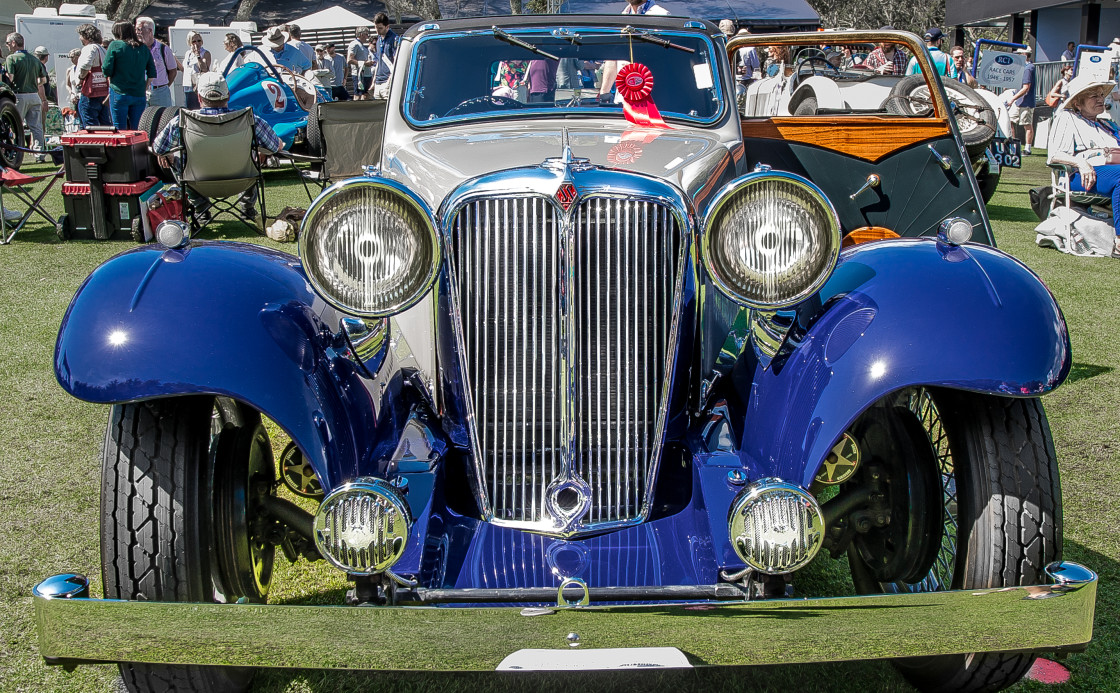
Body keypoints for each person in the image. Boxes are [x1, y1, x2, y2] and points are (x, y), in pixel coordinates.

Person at [152, 72, 281, 223]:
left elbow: (158, 148)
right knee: (253, 154)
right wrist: (260, 150)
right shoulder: (250, 119)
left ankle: (202, 210)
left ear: (199, 98)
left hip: (197, 182)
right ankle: (247, 209)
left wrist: (167, 155)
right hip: (242, 180)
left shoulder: (180, 121)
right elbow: (274, 147)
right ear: (228, 96)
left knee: (177, 156)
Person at [1047, 74, 1120, 255]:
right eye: (1094, 96)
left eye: (1101, 95)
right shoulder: (1067, 118)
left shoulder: (1109, 125)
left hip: (1110, 172)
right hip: (1080, 176)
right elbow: (1054, 155)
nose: (1100, 99)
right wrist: (1081, 163)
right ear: (1078, 103)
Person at [597, 0, 669, 102]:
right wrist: (604, 94)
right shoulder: (622, 16)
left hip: (651, 99)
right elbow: (612, 57)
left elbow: (665, 60)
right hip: (622, 98)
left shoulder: (661, 16)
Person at [102, 20, 155, 130]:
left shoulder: (115, 45)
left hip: (119, 92)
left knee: (119, 129)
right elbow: (151, 74)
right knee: (137, 130)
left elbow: (106, 69)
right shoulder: (144, 48)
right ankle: (138, 147)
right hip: (139, 94)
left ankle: (122, 148)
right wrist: (143, 88)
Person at [4, 33, 47, 162]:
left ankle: (15, 153)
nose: (7, 46)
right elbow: (43, 80)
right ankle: (40, 155)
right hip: (34, 95)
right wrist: (33, 84)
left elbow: (10, 78)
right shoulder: (34, 59)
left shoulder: (11, 58)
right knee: (36, 127)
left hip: (19, 95)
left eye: (7, 43)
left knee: (14, 126)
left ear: (13, 43)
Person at [135, 16, 178, 107]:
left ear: (150, 31)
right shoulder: (135, 50)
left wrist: (163, 87)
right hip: (141, 92)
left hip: (160, 92)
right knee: (142, 120)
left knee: (163, 119)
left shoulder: (164, 49)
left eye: (139, 29)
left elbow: (173, 71)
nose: (137, 32)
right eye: (136, 29)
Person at [75, 23, 110, 127]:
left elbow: (86, 65)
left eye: (80, 35)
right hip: (103, 91)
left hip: (90, 93)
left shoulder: (89, 48)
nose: (79, 38)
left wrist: (81, 78)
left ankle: (93, 143)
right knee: (104, 125)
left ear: (86, 36)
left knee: (90, 125)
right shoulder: (103, 49)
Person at [1008, 46, 1036, 155]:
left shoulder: (1028, 68)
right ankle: (1013, 146)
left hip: (1026, 102)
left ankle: (1027, 148)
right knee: (1010, 120)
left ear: (1025, 55)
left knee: (1027, 124)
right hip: (1019, 101)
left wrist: (1012, 99)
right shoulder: (1023, 67)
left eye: (1020, 54)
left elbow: (1026, 87)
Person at [370, 13, 398, 100]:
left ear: (387, 26)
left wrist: (389, 82)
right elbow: (379, 61)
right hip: (378, 81)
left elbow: (396, 62)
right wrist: (373, 82)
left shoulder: (394, 39)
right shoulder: (378, 40)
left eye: (380, 28)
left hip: (387, 81)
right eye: (376, 27)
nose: (377, 30)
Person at [182, 30, 210, 110]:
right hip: (188, 85)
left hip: (198, 86)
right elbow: (185, 69)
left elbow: (204, 68)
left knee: (197, 109)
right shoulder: (188, 53)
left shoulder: (205, 53)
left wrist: (198, 55)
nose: (197, 43)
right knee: (189, 109)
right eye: (194, 41)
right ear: (189, 42)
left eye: (199, 40)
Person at [347, 27, 373, 100]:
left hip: (367, 74)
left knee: (366, 94)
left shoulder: (363, 46)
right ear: (361, 34)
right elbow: (349, 60)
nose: (367, 37)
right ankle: (355, 110)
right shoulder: (354, 44)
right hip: (359, 74)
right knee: (358, 95)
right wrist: (364, 63)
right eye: (366, 34)